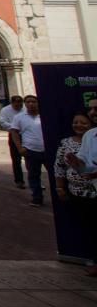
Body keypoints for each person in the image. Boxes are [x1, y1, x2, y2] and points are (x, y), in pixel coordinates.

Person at [54, 111, 97, 277]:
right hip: (82, 192)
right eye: (91, 109)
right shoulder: (90, 135)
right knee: (91, 228)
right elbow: (84, 164)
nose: (93, 113)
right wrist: (77, 163)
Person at [11, 95, 47, 207]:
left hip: (47, 151)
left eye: (33, 101)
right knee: (33, 176)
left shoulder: (46, 114)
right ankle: (37, 198)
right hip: (31, 151)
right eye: (28, 102)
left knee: (55, 174)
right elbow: (14, 132)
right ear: (25, 104)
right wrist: (19, 148)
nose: (31, 104)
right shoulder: (19, 117)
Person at [0, 95, 26, 189]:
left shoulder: (25, 109)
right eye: (16, 103)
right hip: (14, 134)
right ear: (12, 103)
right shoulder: (5, 110)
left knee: (31, 159)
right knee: (16, 159)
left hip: (26, 134)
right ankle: (19, 180)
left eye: (20, 103)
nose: (18, 105)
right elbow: (3, 123)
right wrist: (15, 127)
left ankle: (35, 181)